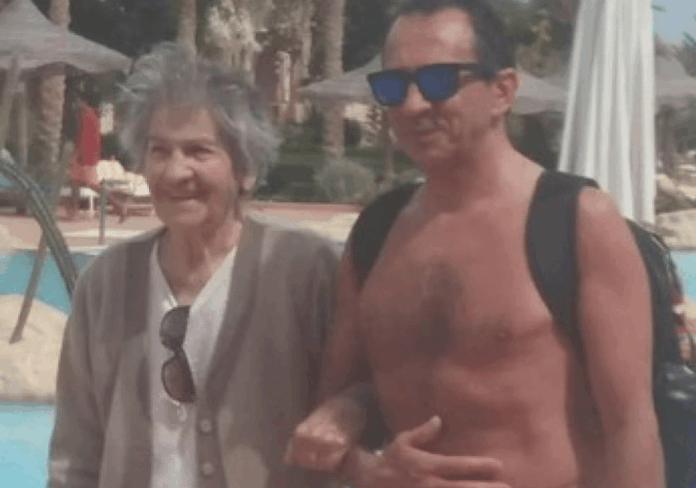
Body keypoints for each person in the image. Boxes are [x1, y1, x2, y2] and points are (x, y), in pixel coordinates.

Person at [285, 1, 664, 487]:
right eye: (393, 86)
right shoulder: (377, 230)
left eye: (439, 80)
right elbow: (330, 422)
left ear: (503, 90)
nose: (412, 105)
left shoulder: (574, 220)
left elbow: (631, 428)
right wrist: (370, 459)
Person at [48, 42, 339, 488]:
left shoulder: (305, 270)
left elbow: (363, 398)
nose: (174, 171)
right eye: (159, 151)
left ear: (245, 168)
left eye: (198, 151)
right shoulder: (105, 284)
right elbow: (75, 452)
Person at [67, 93, 129, 222]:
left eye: (78, 102)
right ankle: (74, 211)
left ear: (83, 102)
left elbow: (83, 138)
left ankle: (119, 206)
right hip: (89, 157)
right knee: (76, 183)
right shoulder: (93, 116)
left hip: (84, 158)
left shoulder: (86, 116)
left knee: (91, 185)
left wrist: (75, 156)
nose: (76, 105)